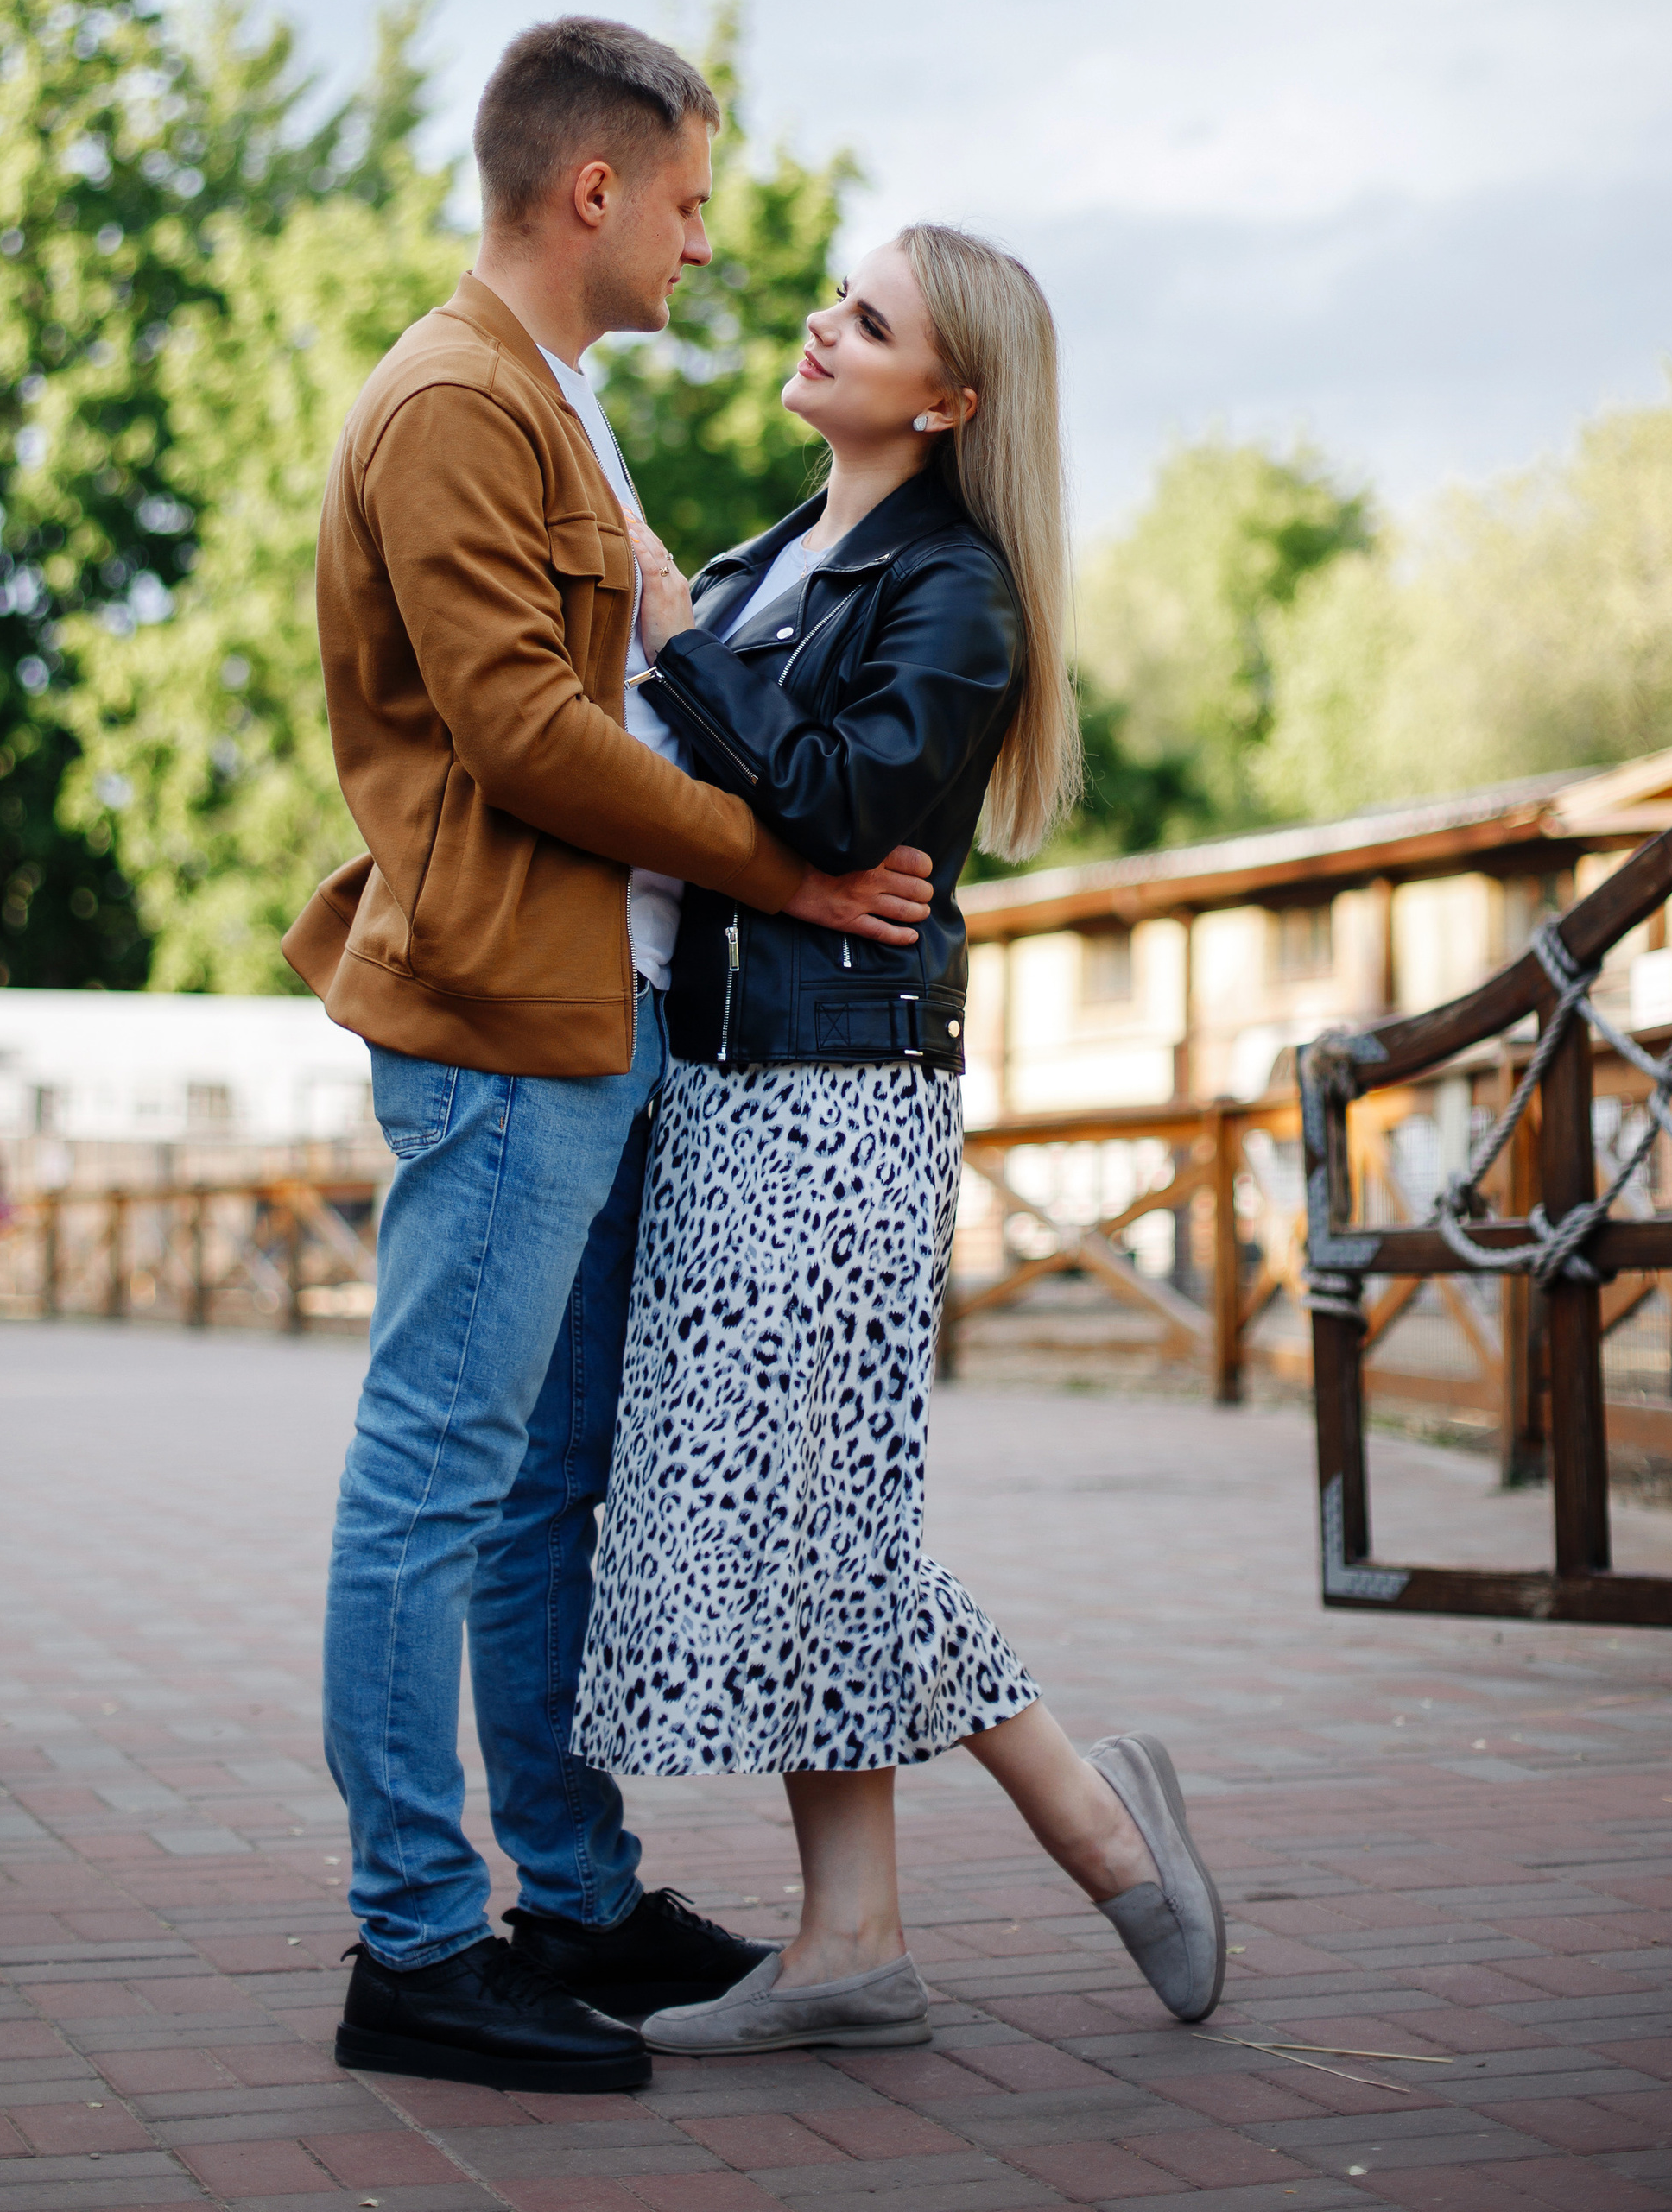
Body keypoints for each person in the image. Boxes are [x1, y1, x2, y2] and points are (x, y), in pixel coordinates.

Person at [282, 19, 938, 2095]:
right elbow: (523, 735)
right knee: (437, 1478)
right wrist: (789, 864)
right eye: (688, 198)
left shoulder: (552, 399)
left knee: (530, 1489)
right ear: (594, 192)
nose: (704, 237)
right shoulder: (456, 402)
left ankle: (566, 1895)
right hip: (503, 1020)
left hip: (598, 1007)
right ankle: (414, 1939)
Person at [570, 224, 1226, 2052]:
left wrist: (683, 652)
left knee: (814, 1519)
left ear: (948, 401)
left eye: (868, 322)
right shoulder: (762, 561)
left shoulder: (956, 593)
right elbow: (752, 816)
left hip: (843, 1092)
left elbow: (836, 793)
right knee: (796, 1510)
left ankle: (1093, 1830)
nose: (819, 323)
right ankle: (852, 1939)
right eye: (833, 298)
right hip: (717, 1076)